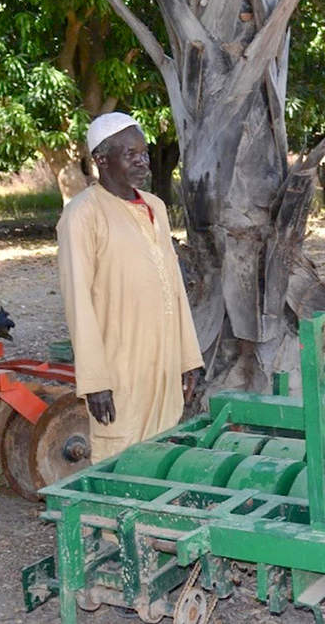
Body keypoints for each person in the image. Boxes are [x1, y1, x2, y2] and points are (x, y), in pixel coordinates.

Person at [56, 113, 204, 462]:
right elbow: (78, 301)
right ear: (101, 160)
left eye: (144, 153)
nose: (143, 162)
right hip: (120, 365)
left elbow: (175, 289)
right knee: (120, 455)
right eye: (131, 154)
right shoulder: (82, 215)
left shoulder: (155, 207)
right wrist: (95, 381)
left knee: (162, 448)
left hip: (164, 360)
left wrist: (188, 359)